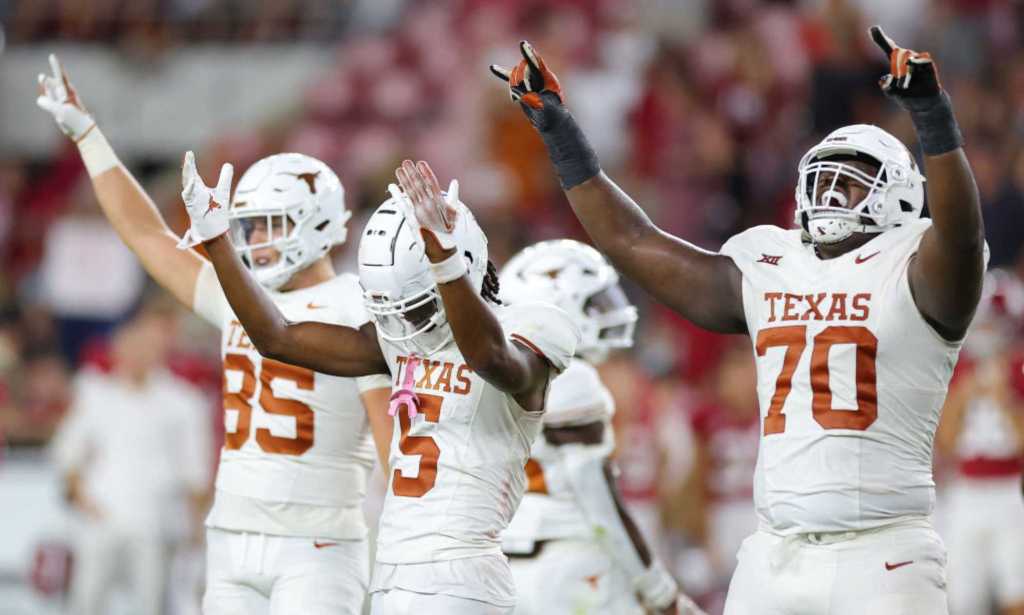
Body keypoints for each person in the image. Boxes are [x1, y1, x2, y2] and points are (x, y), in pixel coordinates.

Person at [491, 25, 985, 614]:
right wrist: (562, 136)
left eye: (850, 183)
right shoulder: (773, 264)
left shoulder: (919, 266)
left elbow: (961, 234)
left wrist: (931, 117)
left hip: (881, 553)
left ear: (900, 199)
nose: (830, 193)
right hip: (773, 550)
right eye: (824, 177)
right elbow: (634, 243)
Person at [35, 54, 394, 615]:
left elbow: (391, 444)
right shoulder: (240, 297)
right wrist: (89, 136)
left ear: (319, 221)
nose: (255, 243)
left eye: (269, 226)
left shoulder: (359, 307)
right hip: (231, 535)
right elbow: (146, 234)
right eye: (246, 228)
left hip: (318, 543)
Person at [176, 154, 578, 614]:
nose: (404, 322)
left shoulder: (532, 326)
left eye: (415, 305)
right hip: (394, 574)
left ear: (460, 267)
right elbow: (276, 337)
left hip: (463, 575)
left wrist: (442, 259)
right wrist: (218, 242)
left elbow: (491, 358)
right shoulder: (403, 342)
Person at [498, 239, 704, 615]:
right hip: (569, 560)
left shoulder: (493, 377)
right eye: (595, 303)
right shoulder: (574, 381)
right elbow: (598, 499)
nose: (609, 313)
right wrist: (659, 589)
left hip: (502, 568)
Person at [50, 296, 211, 615]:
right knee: (86, 601)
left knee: (149, 604)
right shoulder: (95, 395)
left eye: (145, 348)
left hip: (155, 521)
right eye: (131, 348)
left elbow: (195, 472)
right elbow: (67, 453)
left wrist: (196, 530)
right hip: (102, 518)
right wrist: (84, 501)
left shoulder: (182, 401)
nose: (138, 356)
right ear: (117, 351)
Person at [936, 270, 1024, 615]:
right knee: (963, 598)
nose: (985, 331)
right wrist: (965, 393)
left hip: (1012, 491)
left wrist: (1005, 401)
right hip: (965, 492)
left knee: (1016, 593)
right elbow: (946, 441)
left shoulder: (1018, 368)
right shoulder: (957, 368)